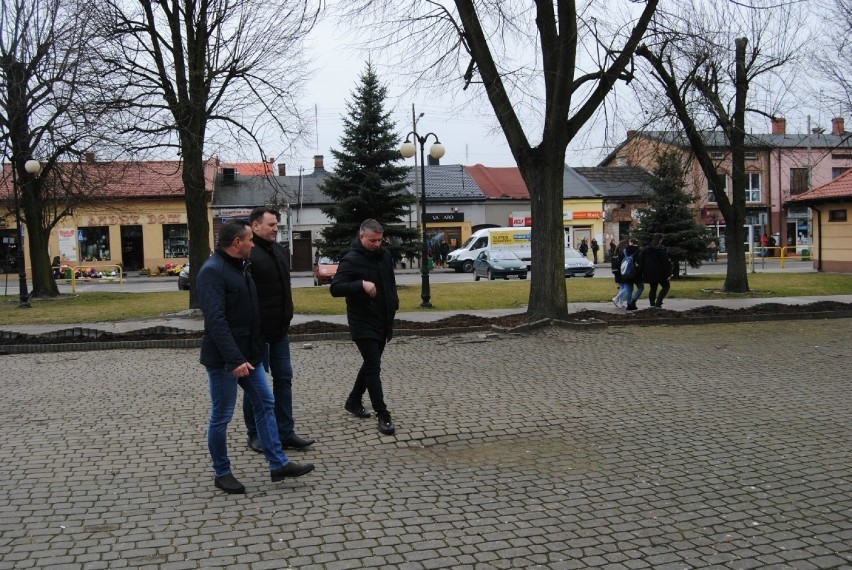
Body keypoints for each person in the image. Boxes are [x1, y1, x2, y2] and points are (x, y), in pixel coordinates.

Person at [197, 220, 314, 494]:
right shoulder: (212, 272)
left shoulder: (241, 266)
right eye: (249, 239)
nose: (253, 244)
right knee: (222, 415)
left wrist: (256, 349)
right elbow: (216, 322)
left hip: (250, 355)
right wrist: (235, 359)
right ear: (237, 243)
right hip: (225, 360)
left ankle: (278, 463)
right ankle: (222, 472)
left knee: (265, 403)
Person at [242, 207, 314, 455]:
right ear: (255, 226)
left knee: (284, 380)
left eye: (276, 225)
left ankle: (286, 432)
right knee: (257, 386)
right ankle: (255, 434)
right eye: (271, 225)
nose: (276, 229)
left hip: (280, 330)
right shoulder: (248, 253)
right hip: (258, 333)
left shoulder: (278, 250)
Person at [330, 219, 399, 436]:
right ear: (361, 237)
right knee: (373, 366)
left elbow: (390, 283)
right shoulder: (351, 260)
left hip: (383, 318)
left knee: (371, 363)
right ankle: (383, 414)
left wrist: (393, 304)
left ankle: (353, 400)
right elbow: (335, 288)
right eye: (372, 240)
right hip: (362, 321)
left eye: (380, 240)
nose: (377, 244)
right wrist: (360, 285)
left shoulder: (385, 256)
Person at [641, 233, 672, 308]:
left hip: (649, 272)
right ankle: (658, 302)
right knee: (666, 286)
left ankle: (652, 304)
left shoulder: (646, 249)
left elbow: (642, 261)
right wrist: (669, 274)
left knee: (653, 288)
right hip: (660, 273)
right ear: (660, 240)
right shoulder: (661, 249)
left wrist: (642, 272)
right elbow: (665, 263)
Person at [610, 239, 628, 308]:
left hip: (616, 272)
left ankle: (621, 303)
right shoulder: (623, 252)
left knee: (622, 288)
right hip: (621, 272)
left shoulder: (616, 251)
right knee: (626, 288)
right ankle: (616, 298)